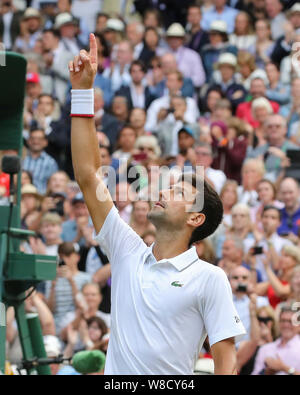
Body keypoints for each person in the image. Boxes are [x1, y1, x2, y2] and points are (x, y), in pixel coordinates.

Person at [68, 34, 246, 374]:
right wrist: (82, 91)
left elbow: (227, 360)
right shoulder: (126, 250)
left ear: (196, 218)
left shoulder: (210, 278)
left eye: (179, 192)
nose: (163, 193)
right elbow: (89, 176)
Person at [45, 242, 92, 333]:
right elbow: (50, 310)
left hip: (78, 327)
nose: (65, 259)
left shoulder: (86, 278)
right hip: (56, 327)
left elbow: (85, 308)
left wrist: (71, 281)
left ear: (77, 257)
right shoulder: (52, 279)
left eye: (68, 255)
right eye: (62, 256)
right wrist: (53, 286)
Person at [251, 307, 300, 375]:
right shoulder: (265, 349)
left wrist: (284, 368)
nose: (286, 325)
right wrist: (266, 372)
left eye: (290, 321)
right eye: (283, 320)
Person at [23, 128, 59, 195]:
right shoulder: (21, 159)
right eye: (33, 138)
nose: (36, 141)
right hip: (22, 197)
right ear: (28, 141)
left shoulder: (51, 163)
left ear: (45, 142)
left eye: (39, 139)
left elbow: (52, 184)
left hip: (42, 198)